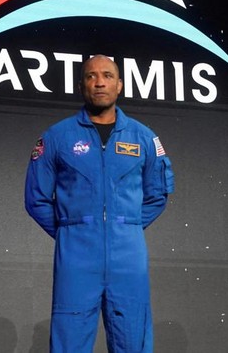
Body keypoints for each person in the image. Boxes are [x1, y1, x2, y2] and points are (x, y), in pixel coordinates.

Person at [24, 54, 174, 352]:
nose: (100, 82)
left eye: (107, 75)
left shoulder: (143, 138)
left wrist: (125, 225)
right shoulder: (57, 136)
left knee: (133, 340)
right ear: (81, 85)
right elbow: (36, 198)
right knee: (69, 341)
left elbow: (158, 194)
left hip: (128, 258)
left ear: (119, 85)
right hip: (76, 257)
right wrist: (72, 230)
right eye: (91, 76)